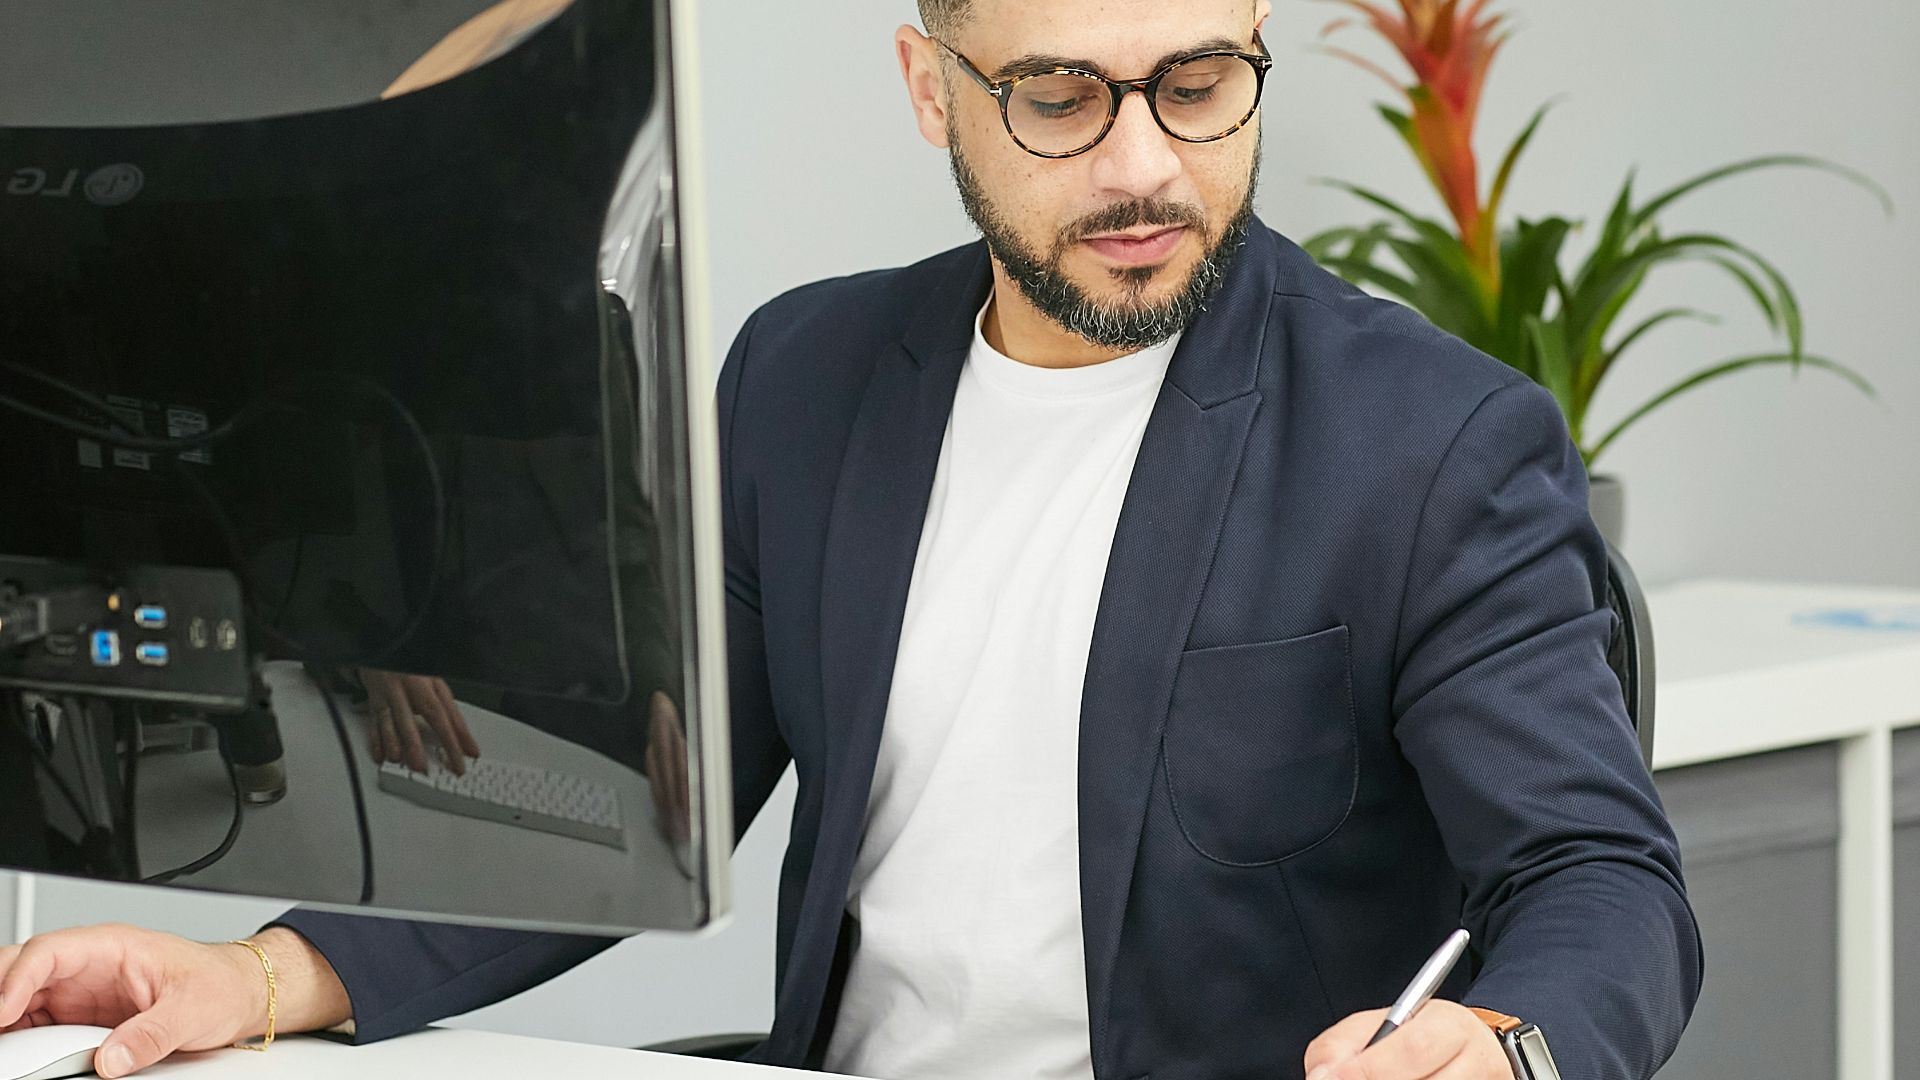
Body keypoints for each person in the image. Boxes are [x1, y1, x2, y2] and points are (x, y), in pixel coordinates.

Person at [0, 1, 1704, 1078]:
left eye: (1198, 85)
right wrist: (272, 972)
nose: (1144, 166)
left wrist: (1505, 1049)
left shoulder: (1429, 441)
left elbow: (1597, 876)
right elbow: (641, 810)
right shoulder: (810, 374)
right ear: (928, 84)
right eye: (1058, 97)